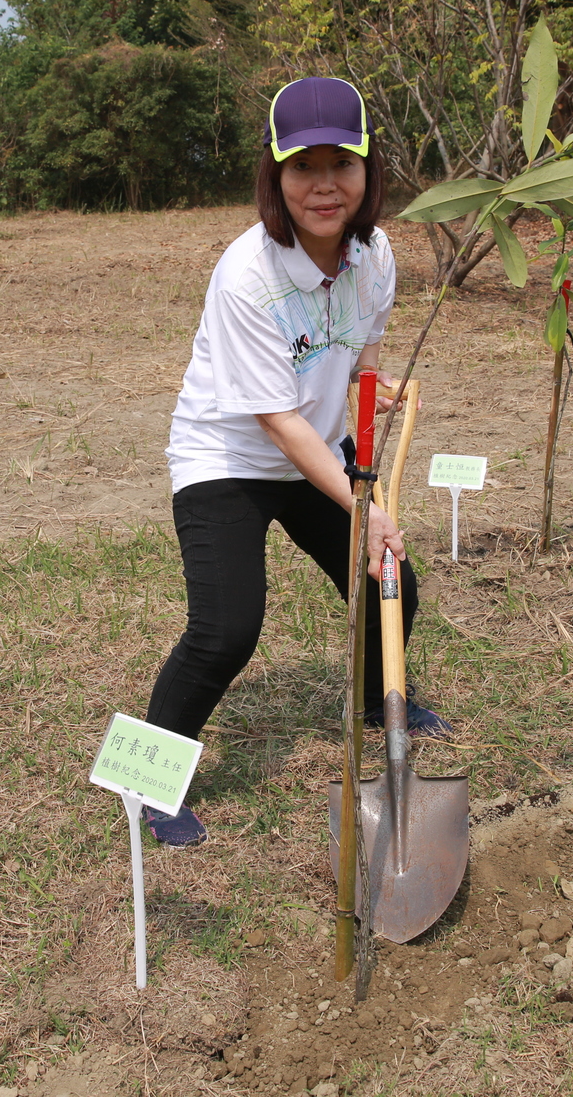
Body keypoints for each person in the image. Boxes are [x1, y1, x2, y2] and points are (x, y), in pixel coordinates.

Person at [141, 76, 449, 848]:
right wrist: (363, 506)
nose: (324, 185)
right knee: (226, 628)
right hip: (228, 456)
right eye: (302, 167)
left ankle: (384, 704)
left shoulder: (375, 256)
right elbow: (276, 421)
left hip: (317, 447)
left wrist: (377, 383)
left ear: (369, 172)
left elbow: (361, 350)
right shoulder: (247, 275)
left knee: (389, 582)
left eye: (341, 164)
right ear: (274, 176)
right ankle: (149, 784)